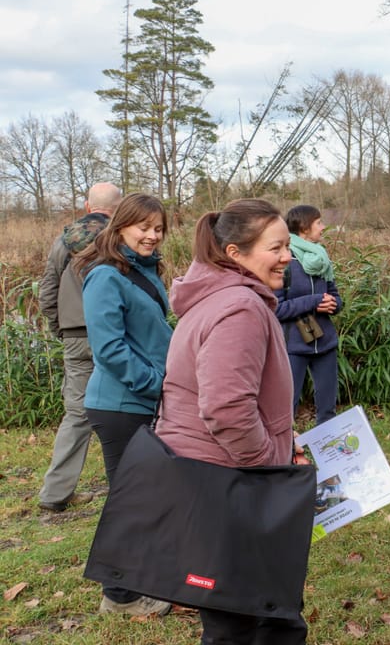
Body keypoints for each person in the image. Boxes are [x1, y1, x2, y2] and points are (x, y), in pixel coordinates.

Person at [156, 199, 310, 642]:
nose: (288, 257)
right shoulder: (240, 307)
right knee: (252, 616)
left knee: (240, 609)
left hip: (211, 476)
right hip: (231, 481)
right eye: (276, 248)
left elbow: (241, 398)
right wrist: (268, 467)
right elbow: (227, 408)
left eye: (288, 246)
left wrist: (285, 436)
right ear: (235, 254)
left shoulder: (221, 297)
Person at [76, 193, 174, 617]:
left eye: (159, 228)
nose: (152, 235)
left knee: (145, 494)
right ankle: (119, 597)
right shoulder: (105, 277)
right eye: (143, 227)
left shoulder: (144, 272)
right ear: (120, 226)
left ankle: (141, 578)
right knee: (130, 499)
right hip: (121, 404)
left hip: (143, 401)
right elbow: (110, 349)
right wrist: (158, 385)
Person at [37, 182, 121, 513]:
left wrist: (63, 329)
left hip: (76, 336)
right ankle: (140, 485)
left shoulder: (64, 239)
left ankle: (55, 494)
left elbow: (47, 291)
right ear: (119, 207)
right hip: (116, 334)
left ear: (88, 206)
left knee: (77, 413)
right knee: (134, 406)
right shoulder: (123, 238)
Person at [276, 205, 344, 426]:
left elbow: (334, 295)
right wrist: (315, 302)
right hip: (293, 345)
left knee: (328, 407)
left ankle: (329, 454)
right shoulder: (285, 261)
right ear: (304, 227)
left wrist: (333, 304)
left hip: (324, 341)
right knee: (287, 406)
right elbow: (277, 308)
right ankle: (286, 455)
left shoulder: (321, 258)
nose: (323, 227)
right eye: (319, 223)